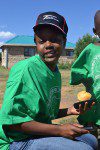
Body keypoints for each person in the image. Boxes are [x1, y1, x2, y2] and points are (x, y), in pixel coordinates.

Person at [0, 11, 98, 150]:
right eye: (42, 41)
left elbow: (42, 114)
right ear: (35, 43)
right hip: (16, 140)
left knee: (91, 139)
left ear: (64, 43)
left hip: (36, 133)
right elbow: (12, 122)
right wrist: (60, 130)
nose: (48, 45)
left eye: (55, 39)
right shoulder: (24, 70)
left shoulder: (54, 72)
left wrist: (69, 111)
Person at [70, 10, 100, 127]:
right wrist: (82, 76)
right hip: (94, 96)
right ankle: (92, 143)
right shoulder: (90, 49)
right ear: (95, 31)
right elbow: (77, 69)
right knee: (91, 123)